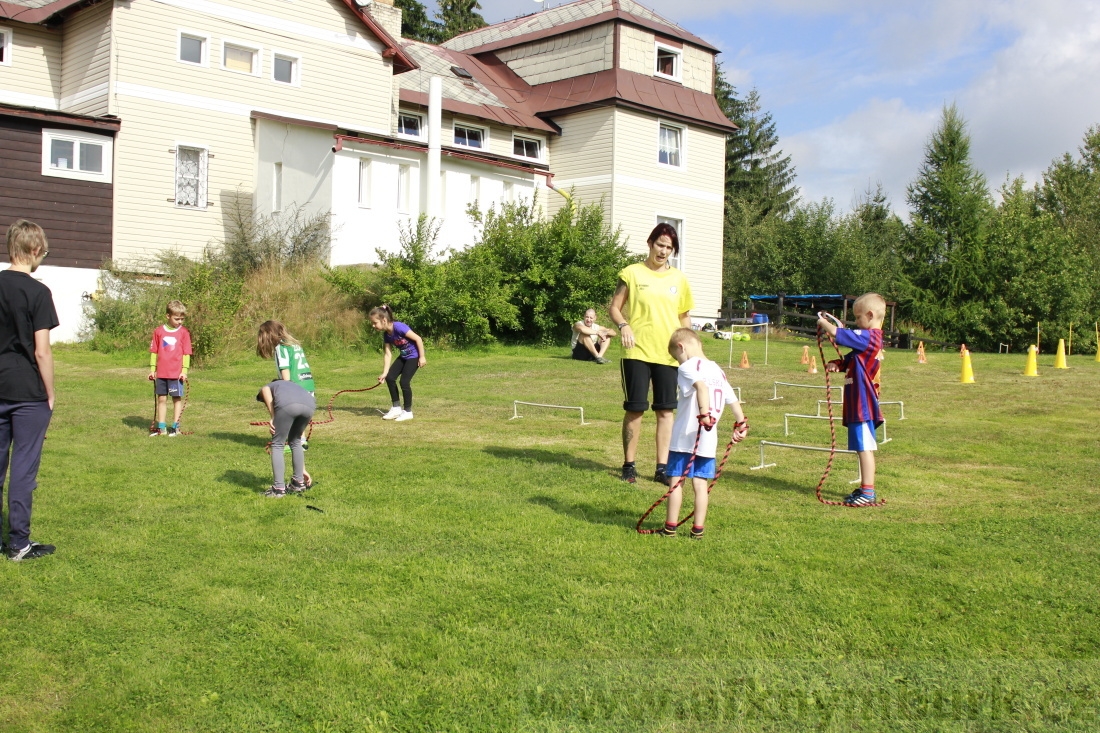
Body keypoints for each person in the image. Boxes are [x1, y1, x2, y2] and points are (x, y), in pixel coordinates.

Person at [608, 223, 693, 485]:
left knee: (666, 411)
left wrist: (689, 349)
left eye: (669, 248)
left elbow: (684, 317)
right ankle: (629, 465)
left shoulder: (678, 279)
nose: (664, 251)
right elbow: (614, 308)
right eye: (660, 245)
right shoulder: (632, 273)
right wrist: (624, 325)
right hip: (637, 351)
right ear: (650, 243)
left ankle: (662, 469)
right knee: (635, 410)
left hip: (668, 355)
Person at [0, 220, 58, 561]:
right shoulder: (37, 292)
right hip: (26, 393)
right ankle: (19, 543)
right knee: (23, 467)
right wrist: (49, 391)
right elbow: (42, 351)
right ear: (34, 250)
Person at [658, 328, 749, 539]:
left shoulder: (688, 366)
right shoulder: (717, 369)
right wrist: (742, 423)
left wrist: (704, 415)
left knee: (676, 481)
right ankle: (697, 530)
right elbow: (732, 399)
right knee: (700, 484)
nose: (678, 362)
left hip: (685, 437)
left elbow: (701, 388)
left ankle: (670, 528)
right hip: (708, 441)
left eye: (677, 357)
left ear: (682, 347)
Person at [817, 293, 886, 507]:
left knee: (865, 448)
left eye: (858, 317)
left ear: (870, 315)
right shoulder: (864, 344)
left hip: (863, 406)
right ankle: (866, 489)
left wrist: (823, 323)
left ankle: (868, 491)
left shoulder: (871, 336)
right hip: (856, 405)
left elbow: (840, 333)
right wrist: (838, 363)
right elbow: (852, 359)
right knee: (860, 447)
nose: (856, 322)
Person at [256, 379, 316, 497]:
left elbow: (265, 390)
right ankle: (298, 483)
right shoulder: (292, 387)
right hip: (310, 405)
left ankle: (278, 489)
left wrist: (273, 416)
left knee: (277, 444)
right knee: (295, 441)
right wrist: (302, 469)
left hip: (289, 406)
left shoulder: (271, 385)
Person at [369, 304, 426, 422]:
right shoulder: (387, 335)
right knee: (390, 378)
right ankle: (396, 408)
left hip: (414, 356)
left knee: (404, 382)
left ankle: (408, 411)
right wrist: (384, 372)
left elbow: (418, 339)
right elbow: (388, 354)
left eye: (375, 323)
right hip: (404, 356)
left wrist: (422, 357)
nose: (373, 325)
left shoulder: (399, 327)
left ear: (384, 320)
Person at [148, 300, 192, 437]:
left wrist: (184, 371)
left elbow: (186, 353)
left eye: (182, 319)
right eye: (176, 318)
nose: (180, 321)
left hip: (176, 374)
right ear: (168, 316)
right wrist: (152, 369)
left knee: (176, 399)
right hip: (161, 373)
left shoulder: (184, 332)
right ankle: (161, 428)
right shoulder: (158, 331)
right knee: (161, 399)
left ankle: (175, 427)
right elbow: (154, 351)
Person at [256, 320, 315, 394]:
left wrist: (286, 390)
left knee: (266, 391)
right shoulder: (293, 344)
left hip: (295, 387)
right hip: (308, 385)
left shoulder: (281, 347)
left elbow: (285, 372)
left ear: (269, 335)